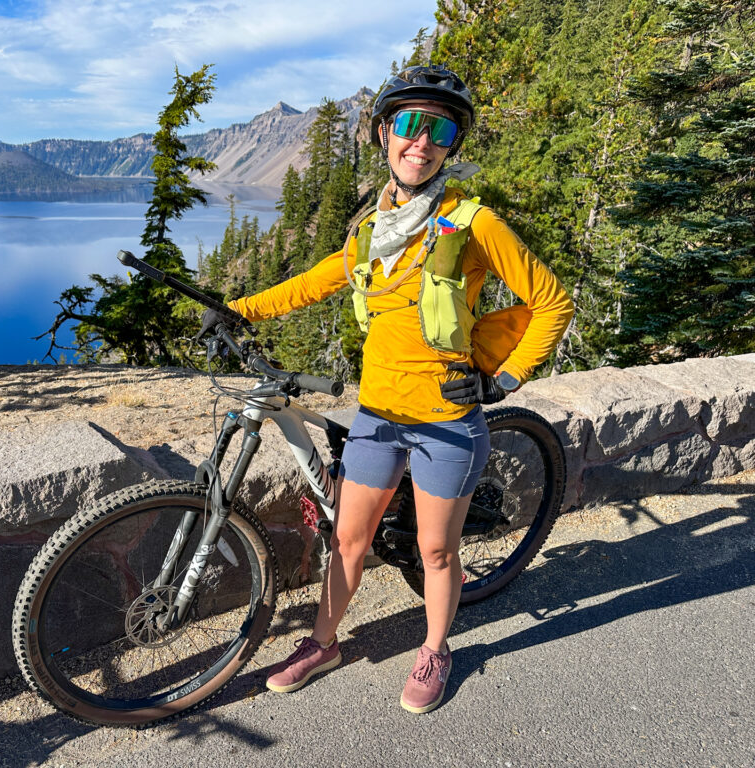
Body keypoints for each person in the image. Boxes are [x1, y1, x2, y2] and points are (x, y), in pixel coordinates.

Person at [204, 64, 574, 713]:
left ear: (451, 145)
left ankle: (436, 649)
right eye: (408, 124)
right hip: (378, 414)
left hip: (446, 420)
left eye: (440, 129)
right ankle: (323, 643)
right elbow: (318, 279)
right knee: (348, 540)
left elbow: (552, 302)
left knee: (436, 549)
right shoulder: (372, 228)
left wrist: (507, 379)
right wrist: (240, 309)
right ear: (383, 134)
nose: (421, 141)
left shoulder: (472, 222)